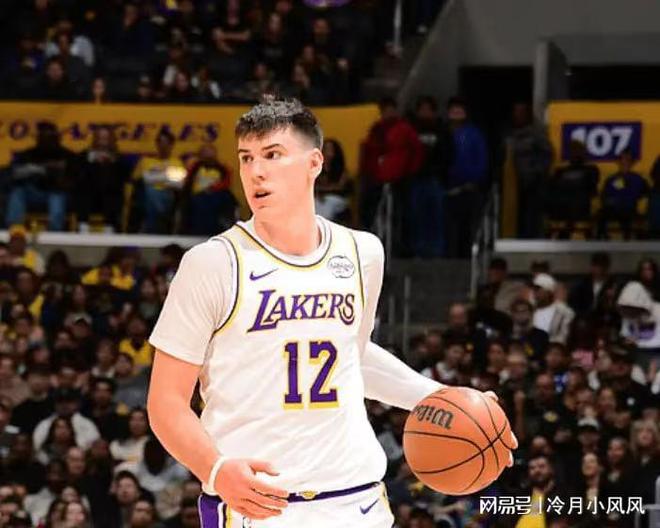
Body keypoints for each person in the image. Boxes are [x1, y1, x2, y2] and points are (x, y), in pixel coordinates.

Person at [147, 97, 515, 527]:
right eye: (246, 157)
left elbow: (351, 356)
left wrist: (445, 401)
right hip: (259, 503)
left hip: (356, 499)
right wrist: (214, 469)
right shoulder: (213, 263)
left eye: (273, 154)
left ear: (314, 163)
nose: (256, 171)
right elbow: (166, 403)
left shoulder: (362, 252)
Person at [4, 121, 77, 231]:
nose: (45, 139)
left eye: (49, 135)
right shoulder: (28, 154)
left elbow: (74, 178)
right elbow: (14, 174)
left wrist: (58, 177)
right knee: (17, 192)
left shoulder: (67, 155)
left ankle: (55, 232)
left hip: (57, 192)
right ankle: (14, 230)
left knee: (57, 196)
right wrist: (33, 170)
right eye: (42, 135)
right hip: (33, 192)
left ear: (56, 137)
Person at [444, 96, 488, 258]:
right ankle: (450, 255)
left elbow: (481, 159)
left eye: (459, 110)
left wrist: (474, 179)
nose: (456, 113)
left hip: (470, 187)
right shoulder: (443, 132)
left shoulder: (474, 134)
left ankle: (468, 256)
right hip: (448, 188)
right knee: (449, 225)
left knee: (468, 224)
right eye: (453, 110)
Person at [506, 102, 552, 239]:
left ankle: (532, 237)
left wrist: (537, 171)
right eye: (516, 112)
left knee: (532, 213)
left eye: (521, 112)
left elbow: (547, 154)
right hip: (513, 182)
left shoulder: (536, 134)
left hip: (533, 181)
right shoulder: (509, 135)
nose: (518, 115)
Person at [129, 130, 186, 234]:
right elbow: (143, 180)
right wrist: (167, 177)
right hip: (146, 195)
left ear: (171, 145)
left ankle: (152, 229)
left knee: (153, 192)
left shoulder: (177, 163)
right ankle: (156, 227)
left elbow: (178, 184)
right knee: (150, 192)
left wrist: (154, 177)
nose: (162, 146)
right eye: (160, 142)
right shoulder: (145, 161)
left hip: (168, 195)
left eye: (166, 142)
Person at [77, 126, 128, 233]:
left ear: (111, 140)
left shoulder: (119, 158)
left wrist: (112, 162)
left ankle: (110, 227)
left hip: (110, 195)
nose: (102, 142)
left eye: (106, 139)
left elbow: (125, 177)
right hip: (89, 195)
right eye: (100, 138)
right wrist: (91, 160)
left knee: (112, 192)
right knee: (83, 190)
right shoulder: (85, 155)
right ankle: (83, 226)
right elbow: (77, 174)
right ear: (95, 139)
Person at [596, 148, 648, 239]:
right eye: (622, 159)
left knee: (627, 215)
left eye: (627, 160)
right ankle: (602, 240)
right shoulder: (611, 179)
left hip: (629, 209)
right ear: (618, 162)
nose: (624, 162)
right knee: (601, 214)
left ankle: (628, 239)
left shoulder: (638, 179)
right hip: (612, 209)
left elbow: (646, 193)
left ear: (632, 163)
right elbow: (604, 196)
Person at [313, 139, 352, 223]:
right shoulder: (316, 167)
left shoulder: (341, 169)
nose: (327, 153)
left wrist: (323, 190)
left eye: (330, 150)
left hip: (336, 197)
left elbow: (340, 187)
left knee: (329, 203)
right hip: (318, 197)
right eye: (325, 149)